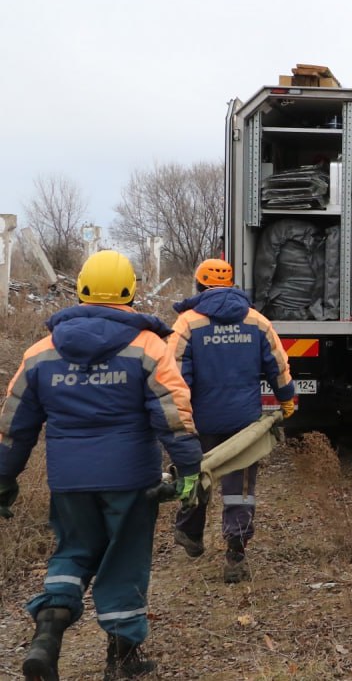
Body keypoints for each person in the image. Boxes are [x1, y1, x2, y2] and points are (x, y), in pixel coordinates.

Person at [0, 250, 203, 680]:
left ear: (81, 290)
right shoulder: (148, 347)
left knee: (73, 553)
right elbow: (171, 415)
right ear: (130, 292)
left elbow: (14, 426)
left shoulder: (41, 353)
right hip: (131, 480)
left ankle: (46, 638)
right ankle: (122, 660)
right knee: (124, 560)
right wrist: (189, 468)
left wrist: (3, 476)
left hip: (69, 481)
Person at [168, 258, 296, 583]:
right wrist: (286, 400)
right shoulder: (256, 321)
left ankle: (189, 532)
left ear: (199, 286)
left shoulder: (186, 324)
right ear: (232, 285)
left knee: (196, 474)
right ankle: (236, 554)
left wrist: (177, 422)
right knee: (240, 489)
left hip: (201, 422)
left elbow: (175, 379)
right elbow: (278, 365)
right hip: (244, 424)